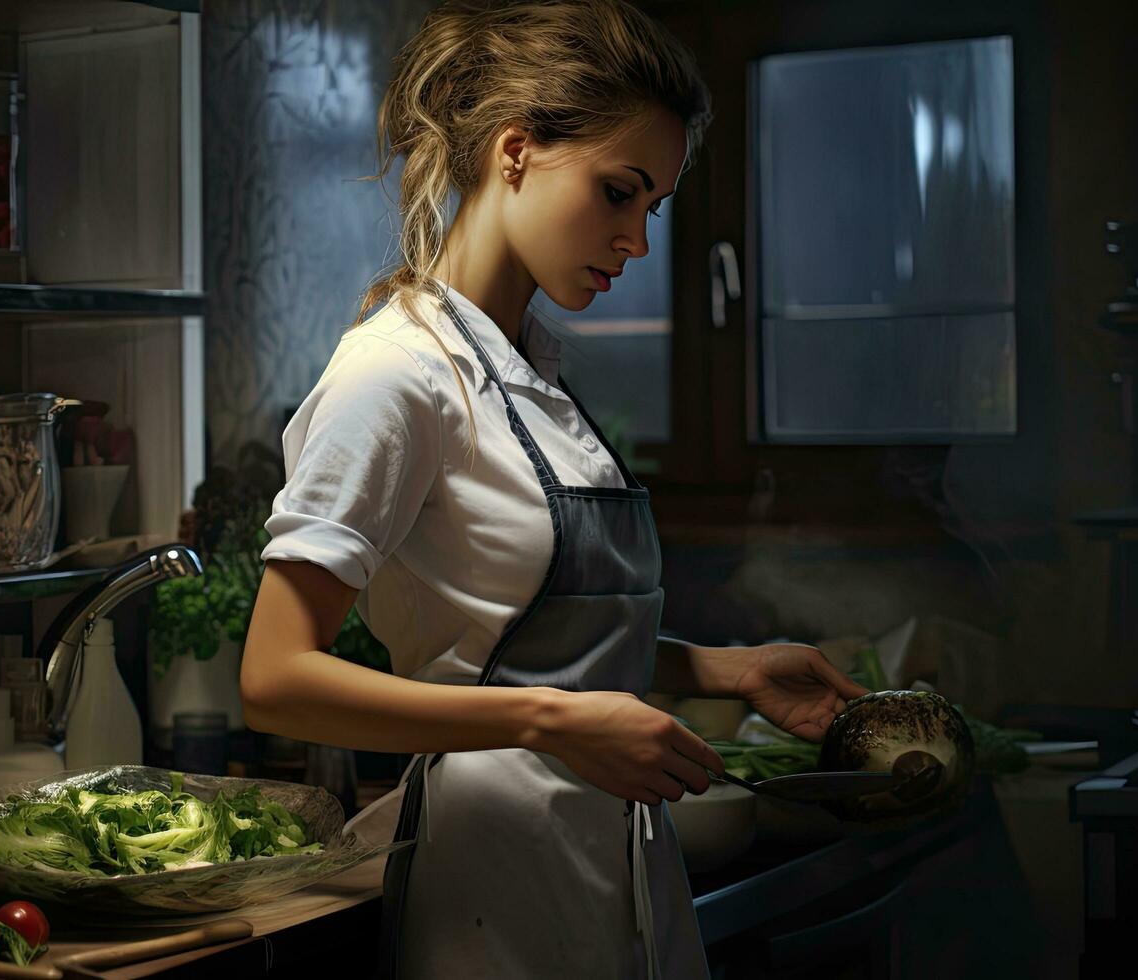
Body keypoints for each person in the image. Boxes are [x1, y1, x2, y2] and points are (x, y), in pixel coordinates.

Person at [239, 1, 867, 976]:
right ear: (516, 151)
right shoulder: (395, 374)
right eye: (618, 192)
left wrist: (720, 668)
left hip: (618, 870)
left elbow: (525, 642)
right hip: (492, 885)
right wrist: (553, 721)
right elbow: (276, 675)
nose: (637, 241)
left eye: (651, 205)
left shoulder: (537, 371)